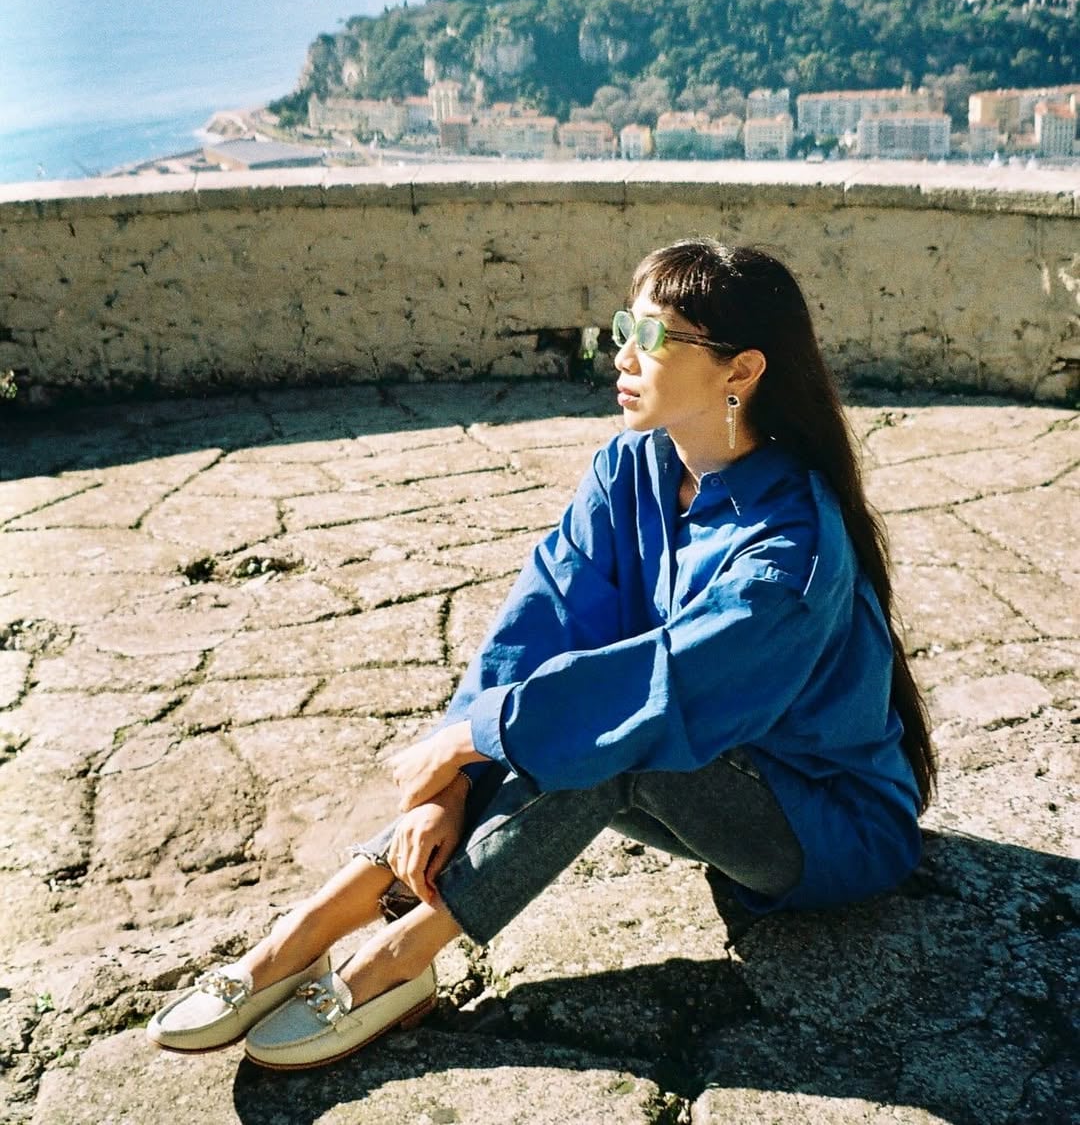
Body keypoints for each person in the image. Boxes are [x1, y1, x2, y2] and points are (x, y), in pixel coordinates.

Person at [146, 238, 936, 1071]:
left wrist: (466, 738)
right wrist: (445, 789)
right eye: (625, 324)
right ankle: (301, 933)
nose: (623, 353)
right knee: (564, 716)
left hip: (826, 826)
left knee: (608, 735)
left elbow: (663, 689)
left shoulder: (791, 550)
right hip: (710, 765)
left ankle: (400, 957)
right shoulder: (633, 468)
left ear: (740, 369)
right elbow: (540, 621)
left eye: (657, 337)